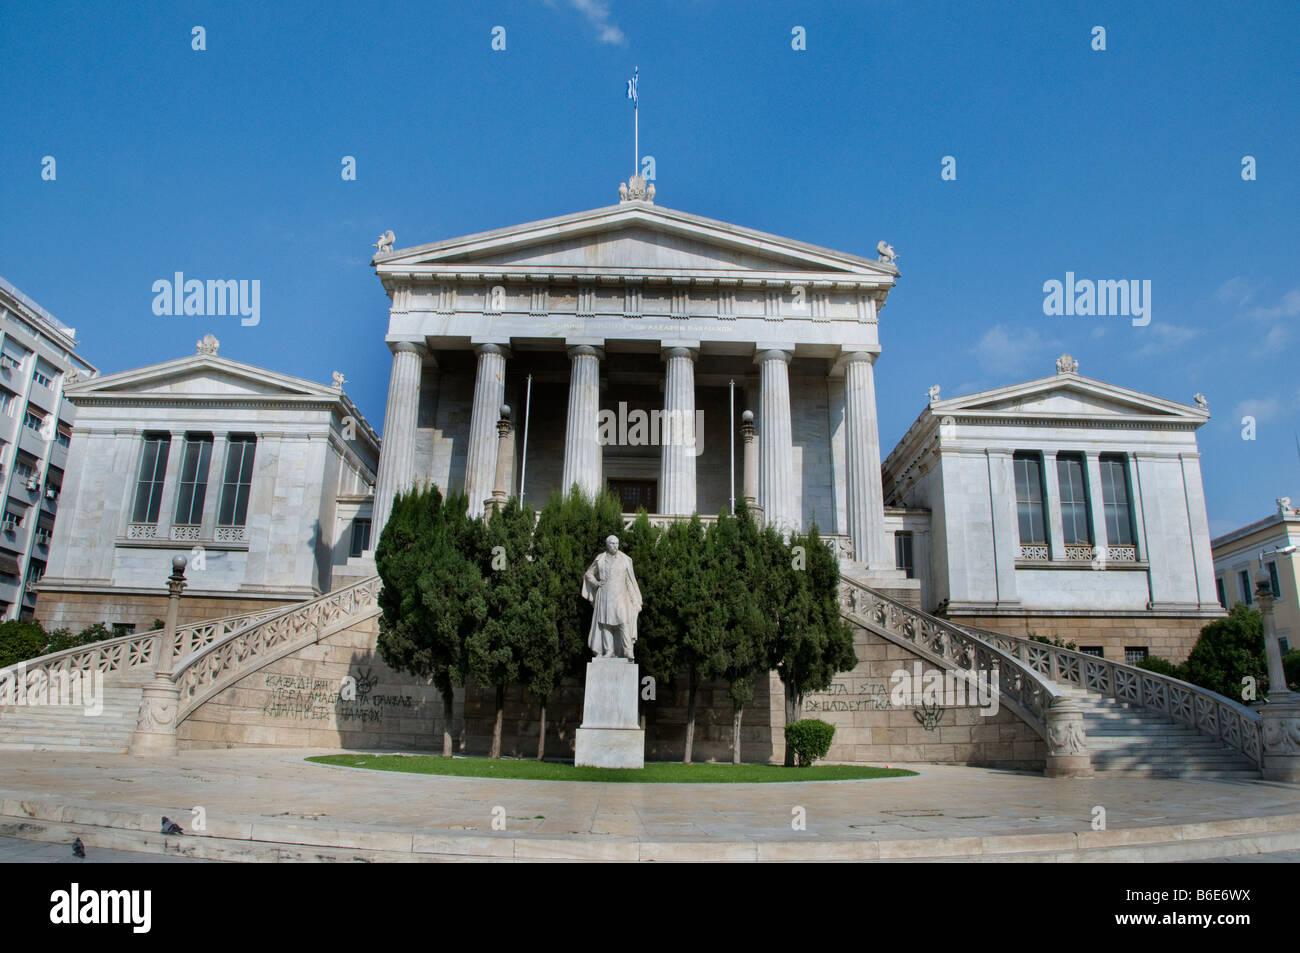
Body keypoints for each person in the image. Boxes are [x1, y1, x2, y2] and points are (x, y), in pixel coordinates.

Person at [581, 535, 642, 659]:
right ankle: (609, 650)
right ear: (607, 545)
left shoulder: (625, 559)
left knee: (623, 621)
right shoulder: (600, 558)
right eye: (612, 544)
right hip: (604, 595)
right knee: (605, 623)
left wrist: (635, 600)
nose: (616, 546)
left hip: (621, 596)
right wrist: (596, 583)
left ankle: (627, 650)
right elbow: (588, 573)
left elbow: (629, 581)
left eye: (617, 543)